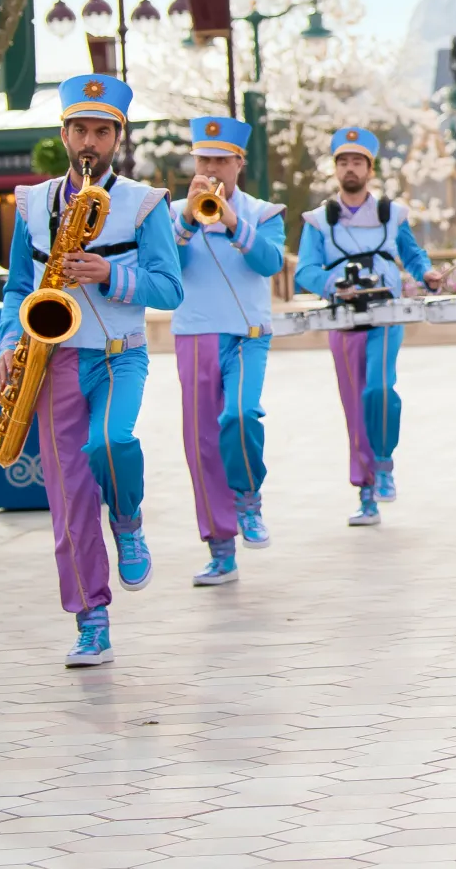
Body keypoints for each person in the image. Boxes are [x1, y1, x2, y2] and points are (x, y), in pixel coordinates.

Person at [0, 75, 183, 666]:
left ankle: (127, 518)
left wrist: (109, 276)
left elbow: (171, 289)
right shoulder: (31, 204)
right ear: (64, 133)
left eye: (102, 131)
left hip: (119, 351)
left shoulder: (145, 203)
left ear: (117, 138)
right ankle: (91, 617)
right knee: (68, 495)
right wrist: (8, 338)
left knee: (112, 441)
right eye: (80, 129)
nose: (90, 141)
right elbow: (17, 288)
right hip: (52, 358)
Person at [294, 125, 440, 526]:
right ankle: (366, 492)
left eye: (357, 162)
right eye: (343, 162)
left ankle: (384, 462)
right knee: (353, 404)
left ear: (369, 169)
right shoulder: (319, 220)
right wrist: (332, 286)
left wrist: (426, 274)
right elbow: (305, 269)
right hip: (343, 319)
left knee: (379, 388)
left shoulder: (391, 214)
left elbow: (412, 254)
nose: (350, 169)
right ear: (335, 169)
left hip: (386, 315)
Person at [171, 114, 288, 586]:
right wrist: (185, 220)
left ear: (239, 164)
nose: (213, 169)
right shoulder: (172, 213)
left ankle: (248, 498)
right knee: (201, 444)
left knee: (239, 416)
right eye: (205, 159)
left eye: (222, 160)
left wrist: (233, 221)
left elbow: (270, 262)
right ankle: (220, 548)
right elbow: (167, 268)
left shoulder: (264, 213)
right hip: (194, 333)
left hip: (247, 334)